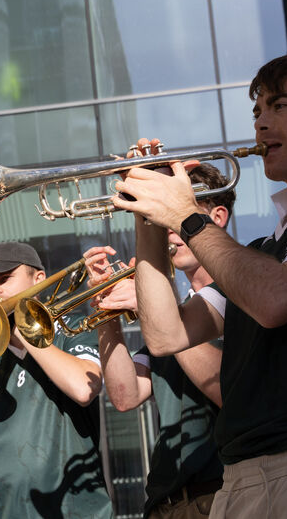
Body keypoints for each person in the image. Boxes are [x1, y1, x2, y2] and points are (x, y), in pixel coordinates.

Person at [111, 50, 287, 518]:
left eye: (280, 105)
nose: (261, 124)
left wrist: (183, 215)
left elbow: (277, 298)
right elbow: (166, 334)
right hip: (244, 476)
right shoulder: (265, 249)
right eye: (258, 111)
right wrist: (148, 218)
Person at [85, 163, 233, 519]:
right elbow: (125, 395)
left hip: (220, 493)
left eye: (178, 220)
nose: (169, 235)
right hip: (163, 502)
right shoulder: (170, 311)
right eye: (164, 225)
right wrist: (105, 312)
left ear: (218, 216)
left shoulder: (241, 294)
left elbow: (230, 392)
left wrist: (151, 303)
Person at [0, 241, 113, 518]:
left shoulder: (73, 329)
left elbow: (83, 388)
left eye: (4, 279)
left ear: (38, 280)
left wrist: (23, 329)